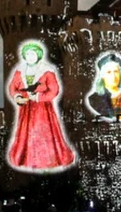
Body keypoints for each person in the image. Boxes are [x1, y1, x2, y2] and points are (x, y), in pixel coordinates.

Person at [7, 41, 76, 172]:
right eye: (27, 54)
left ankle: (46, 160)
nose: (30, 56)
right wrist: (17, 97)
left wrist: (39, 97)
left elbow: (54, 90)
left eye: (32, 53)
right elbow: (13, 87)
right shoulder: (20, 71)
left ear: (38, 55)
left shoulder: (47, 71)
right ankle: (25, 158)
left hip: (42, 109)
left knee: (42, 131)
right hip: (26, 108)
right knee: (25, 134)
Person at [86, 53, 121, 121]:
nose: (113, 76)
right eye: (109, 72)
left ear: (120, 74)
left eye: (116, 71)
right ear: (102, 76)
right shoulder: (94, 99)